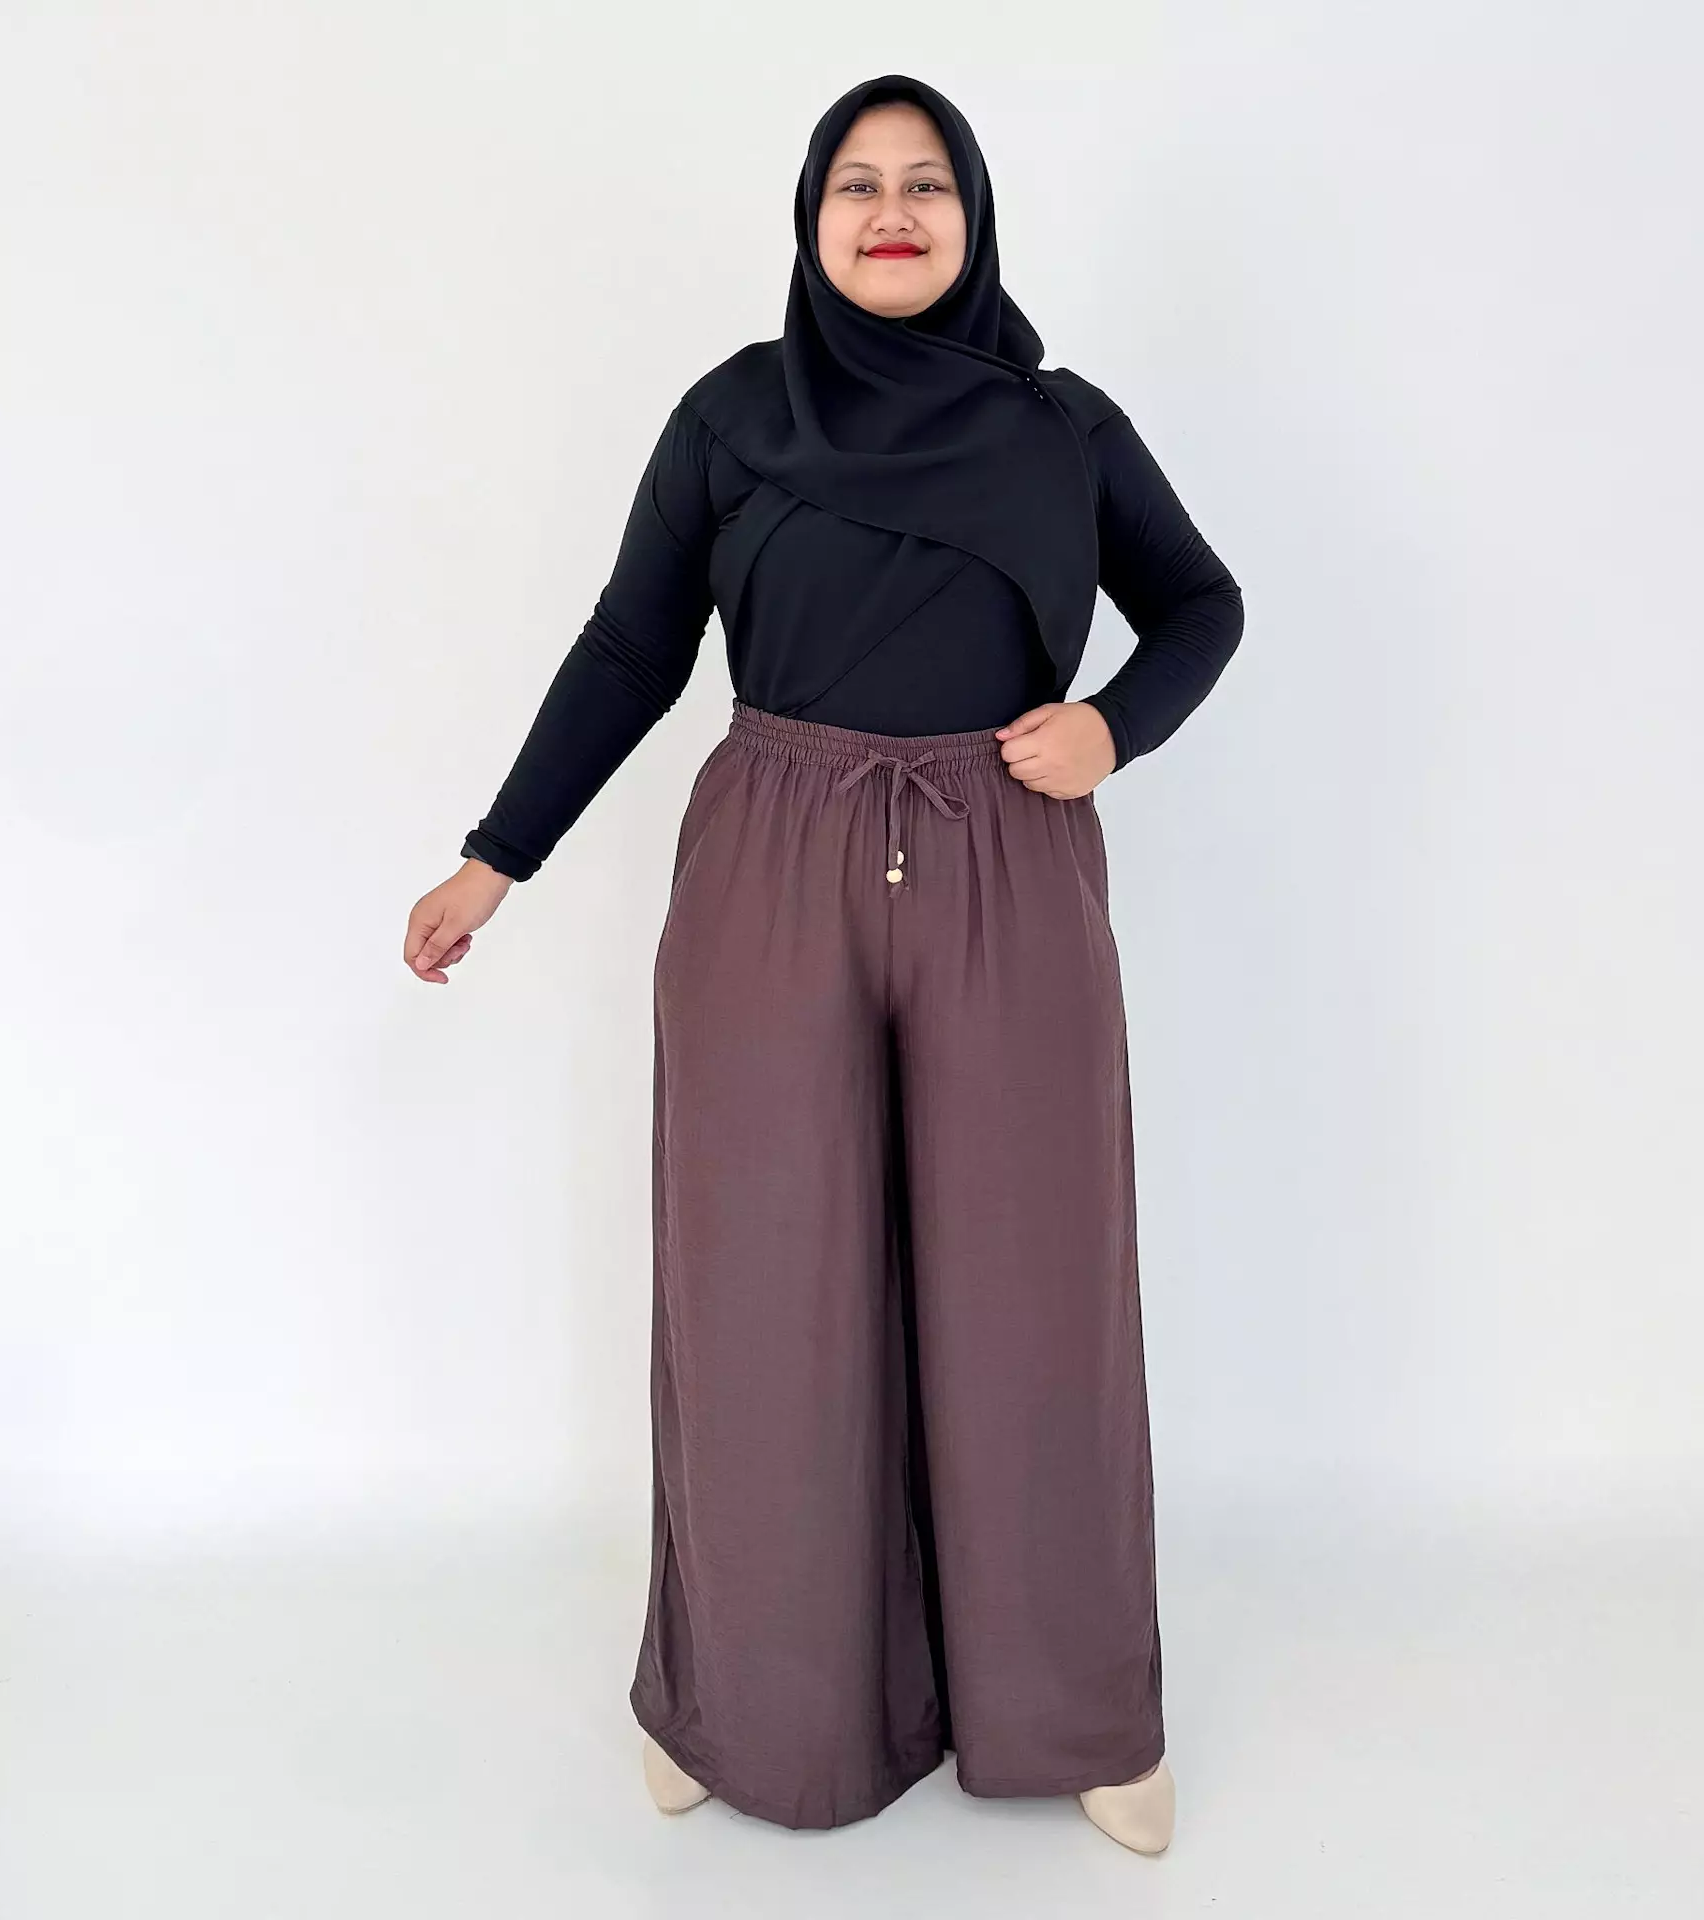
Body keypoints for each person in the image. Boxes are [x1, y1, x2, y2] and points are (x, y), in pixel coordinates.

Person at [403, 73, 1242, 1855]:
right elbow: (631, 646)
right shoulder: (731, 418)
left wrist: (1115, 727)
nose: (891, 212)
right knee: (763, 1289)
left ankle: (1077, 1711)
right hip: (771, 864)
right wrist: (497, 856)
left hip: (1008, 860)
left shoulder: (1065, 429)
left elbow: (1201, 603)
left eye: (927, 184)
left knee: (1037, 1294)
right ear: (808, 220)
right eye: (855, 184)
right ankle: (750, 1704)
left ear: (975, 219)